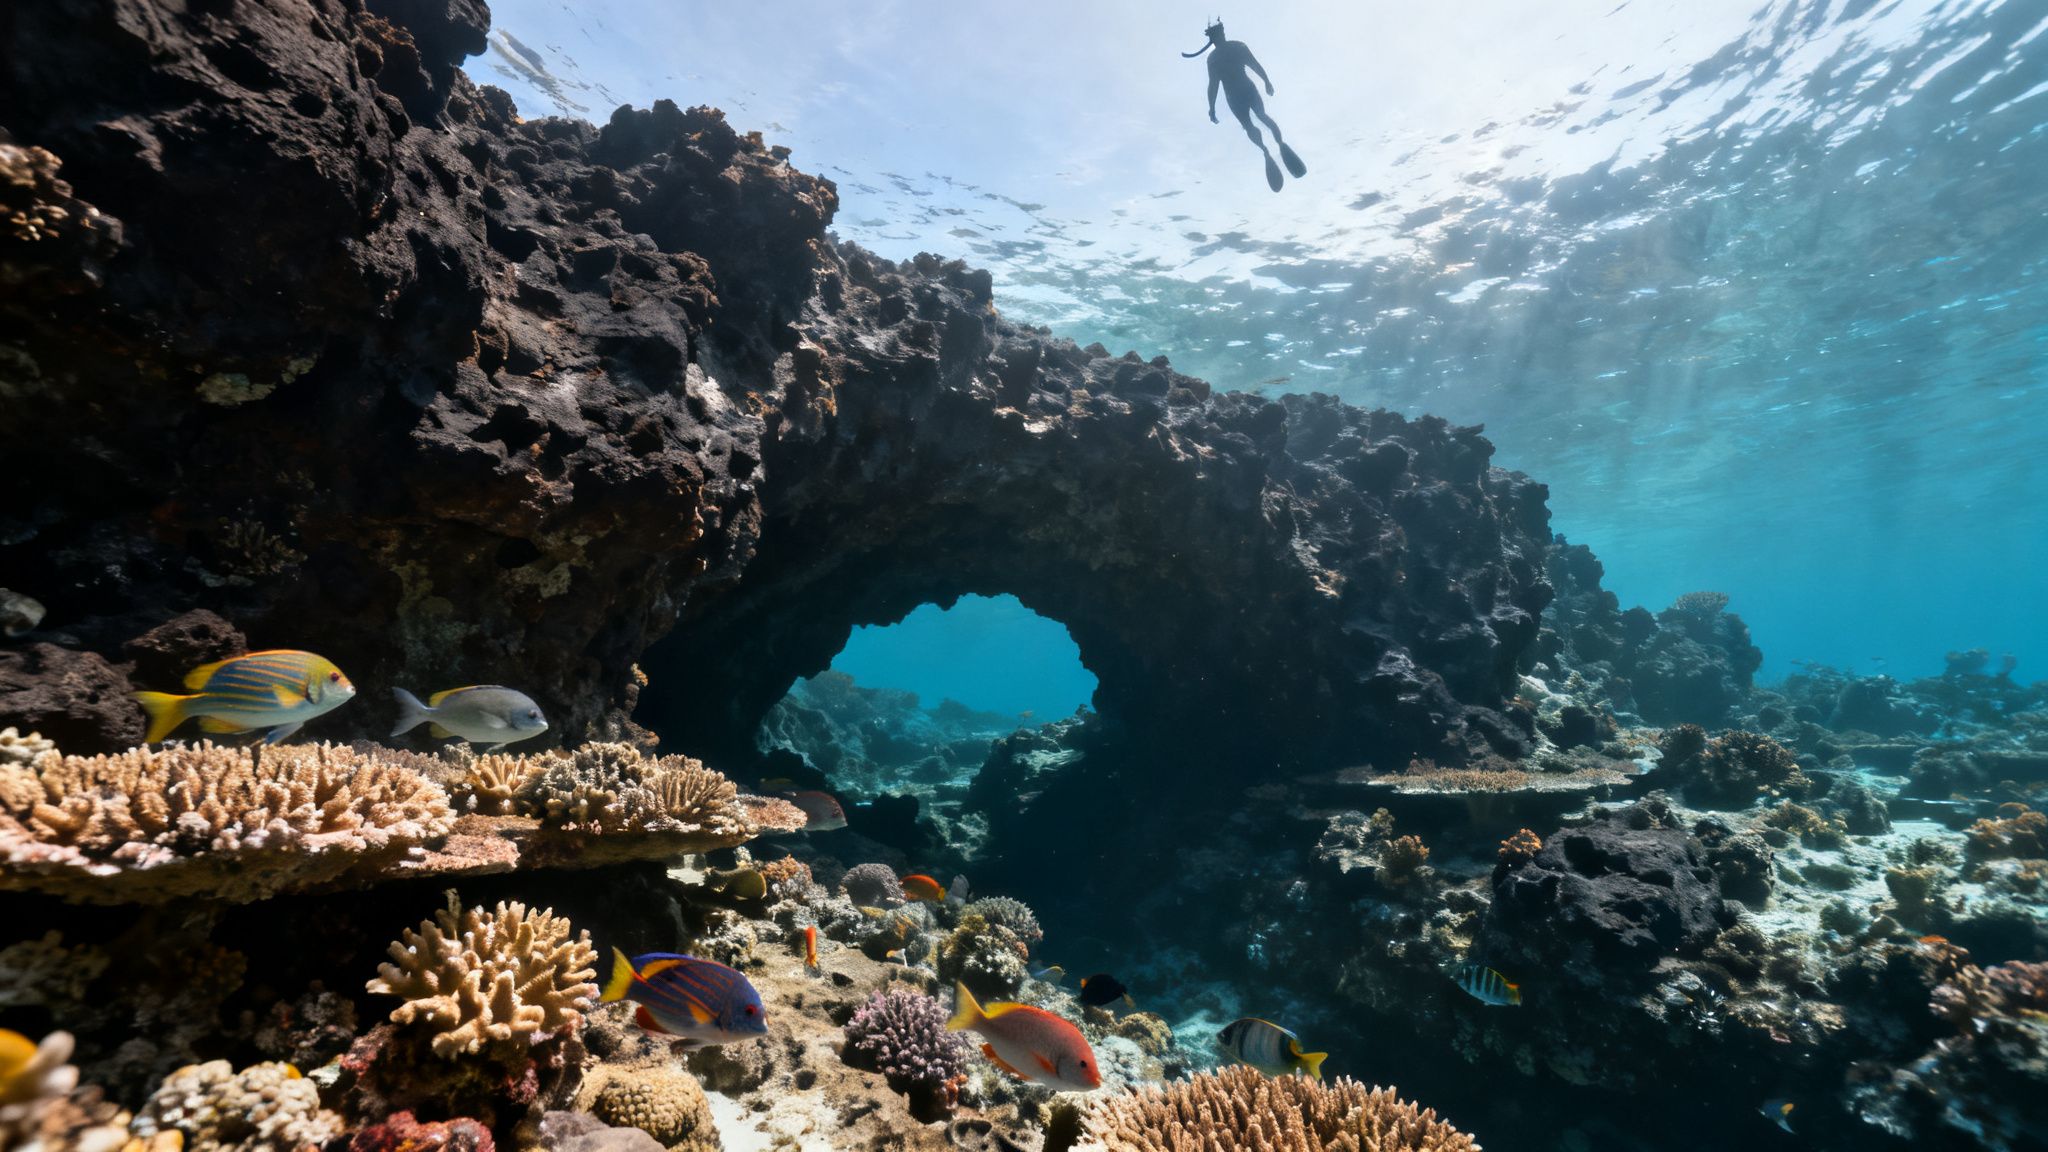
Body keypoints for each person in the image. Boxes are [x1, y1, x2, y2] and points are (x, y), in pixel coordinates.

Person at [1185, 19, 1306, 191]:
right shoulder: (1230, 50)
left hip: (1238, 94)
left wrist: (1267, 81)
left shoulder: (1220, 55)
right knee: (1255, 121)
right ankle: (1269, 149)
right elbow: (1214, 85)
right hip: (1240, 94)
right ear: (1221, 35)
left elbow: (1250, 66)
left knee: (1256, 121)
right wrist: (1211, 107)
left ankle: (1274, 146)